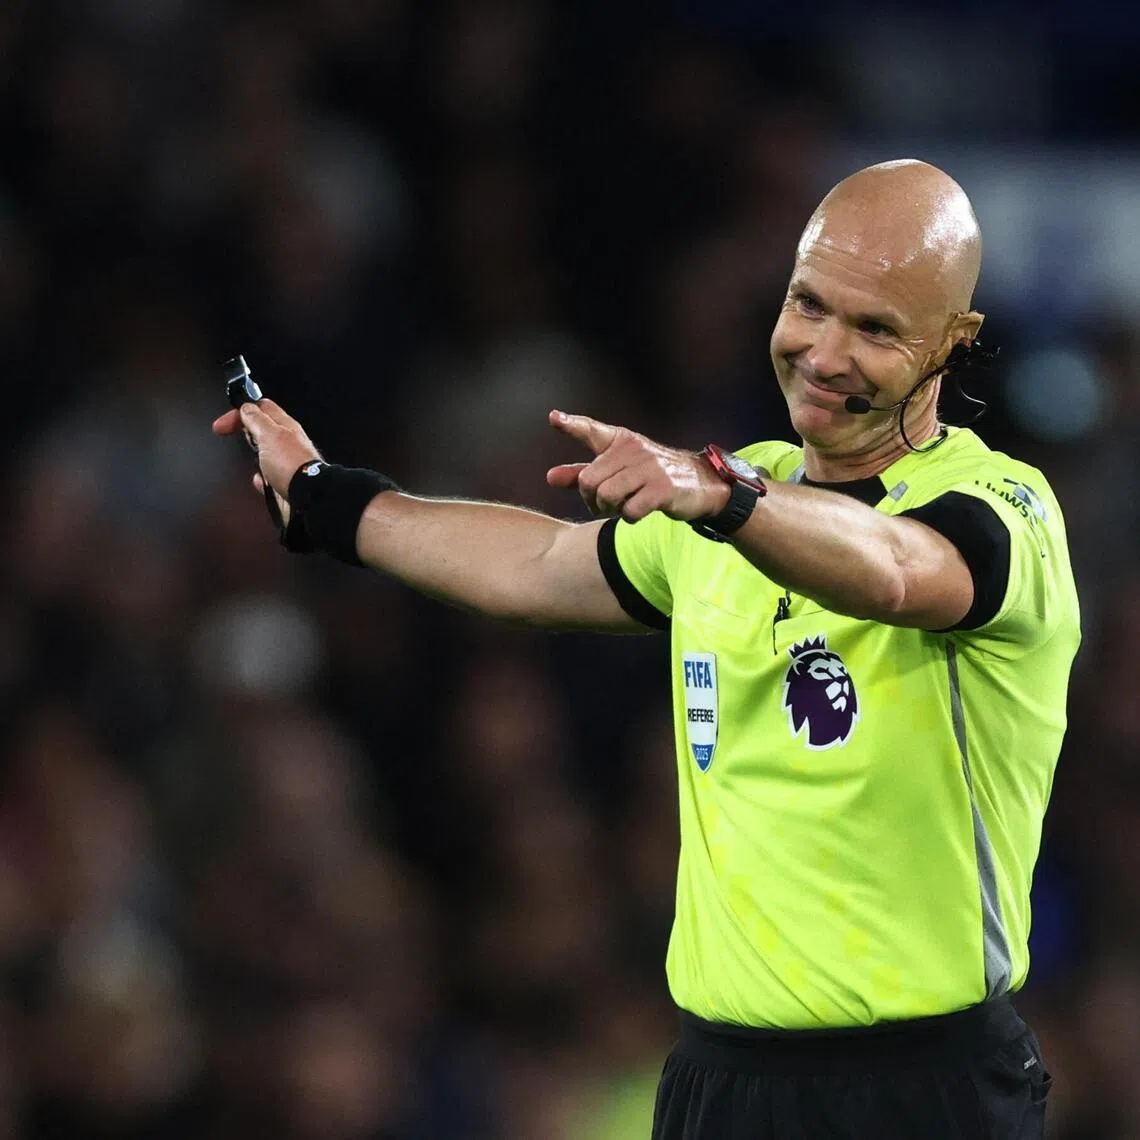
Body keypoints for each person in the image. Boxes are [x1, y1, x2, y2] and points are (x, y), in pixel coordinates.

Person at [213, 159, 1080, 1139]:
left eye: (876, 329)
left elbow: (898, 569)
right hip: (720, 1086)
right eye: (810, 305)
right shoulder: (727, 499)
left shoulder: (1002, 511)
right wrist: (331, 501)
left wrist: (724, 499)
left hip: (921, 1093)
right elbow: (540, 560)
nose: (826, 352)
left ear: (953, 343)